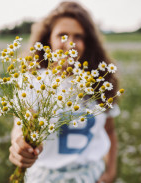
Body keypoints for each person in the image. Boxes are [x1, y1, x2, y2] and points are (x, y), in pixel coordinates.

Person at [9, 1, 120, 183]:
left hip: (91, 176)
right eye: (62, 35)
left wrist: (110, 172)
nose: (70, 44)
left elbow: (109, 131)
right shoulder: (32, 81)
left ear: (87, 42)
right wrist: (19, 146)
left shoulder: (100, 82)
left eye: (78, 36)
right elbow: (21, 126)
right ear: (48, 41)